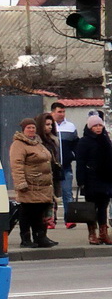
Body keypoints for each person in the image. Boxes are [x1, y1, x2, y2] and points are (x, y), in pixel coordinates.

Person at [8, 117, 58, 248]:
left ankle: (40, 237)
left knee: (39, 212)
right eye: (28, 128)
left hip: (42, 186)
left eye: (33, 128)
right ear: (23, 130)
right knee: (27, 212)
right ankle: (25, 239)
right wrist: (21, 183)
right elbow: (16, 165)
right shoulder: (18, 145)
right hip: (29, 185)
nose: (31, 130)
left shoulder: (37, 143)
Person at [74, 113, 112, 245]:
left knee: (103, 207)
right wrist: (81, 181)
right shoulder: (84, 141)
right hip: (91, 179)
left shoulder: (105, 139)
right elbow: (80, 162)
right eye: (95, 125)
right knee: (91, 208)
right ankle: (92, 233)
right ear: (90, 127)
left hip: (106, 178)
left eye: (100, 125)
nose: (98, 128)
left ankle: (103, 233)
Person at [34, 112, 64, 228]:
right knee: (43, 202)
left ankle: (51, 219)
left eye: (51, 125)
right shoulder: (37, 141)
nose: (50, 127)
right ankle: (45, 222)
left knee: (54, 199)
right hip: (42, 175)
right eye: (47, 124)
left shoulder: (53, 140)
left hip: (54, 175)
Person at [52, 102, 78, 226]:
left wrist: (72, 155)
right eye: (59, 112)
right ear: (53, 112)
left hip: (65, 166)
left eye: (63, 112)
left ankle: (70, 218)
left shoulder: (71, 127)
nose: (62, 114)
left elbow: (75, 144)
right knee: (51, 194)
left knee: (67, 192)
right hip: (51, 166)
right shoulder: (48, 126)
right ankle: (51, 219)